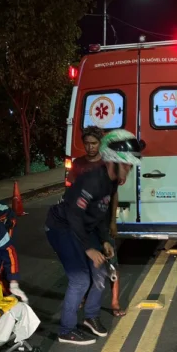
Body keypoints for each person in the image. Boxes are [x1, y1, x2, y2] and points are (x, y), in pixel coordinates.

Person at [45, 129, 144, 345]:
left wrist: (105, 240)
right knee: (80, 278)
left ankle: (91, 317)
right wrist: (89, 249)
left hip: (82, 226)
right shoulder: (91, 181)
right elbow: (74, 216)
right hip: (61, 227)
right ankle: (66, 330)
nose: (129, 169)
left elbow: (99, 213)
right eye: (126, 164)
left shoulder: (110, 182)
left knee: (99, 273)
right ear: (112, 161)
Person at [70, 127, 126, 317]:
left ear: (100, 144)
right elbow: (71, 191)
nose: (90, 147)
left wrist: (113, 221)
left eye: (94, 143)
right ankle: (84, 297)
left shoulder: (107, 164)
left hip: (102, 222)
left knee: (111, 262)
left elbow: (113, 194)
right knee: (86, 262)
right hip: (84, 223)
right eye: (87, 143)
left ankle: (115, 301)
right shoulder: (77, 164)